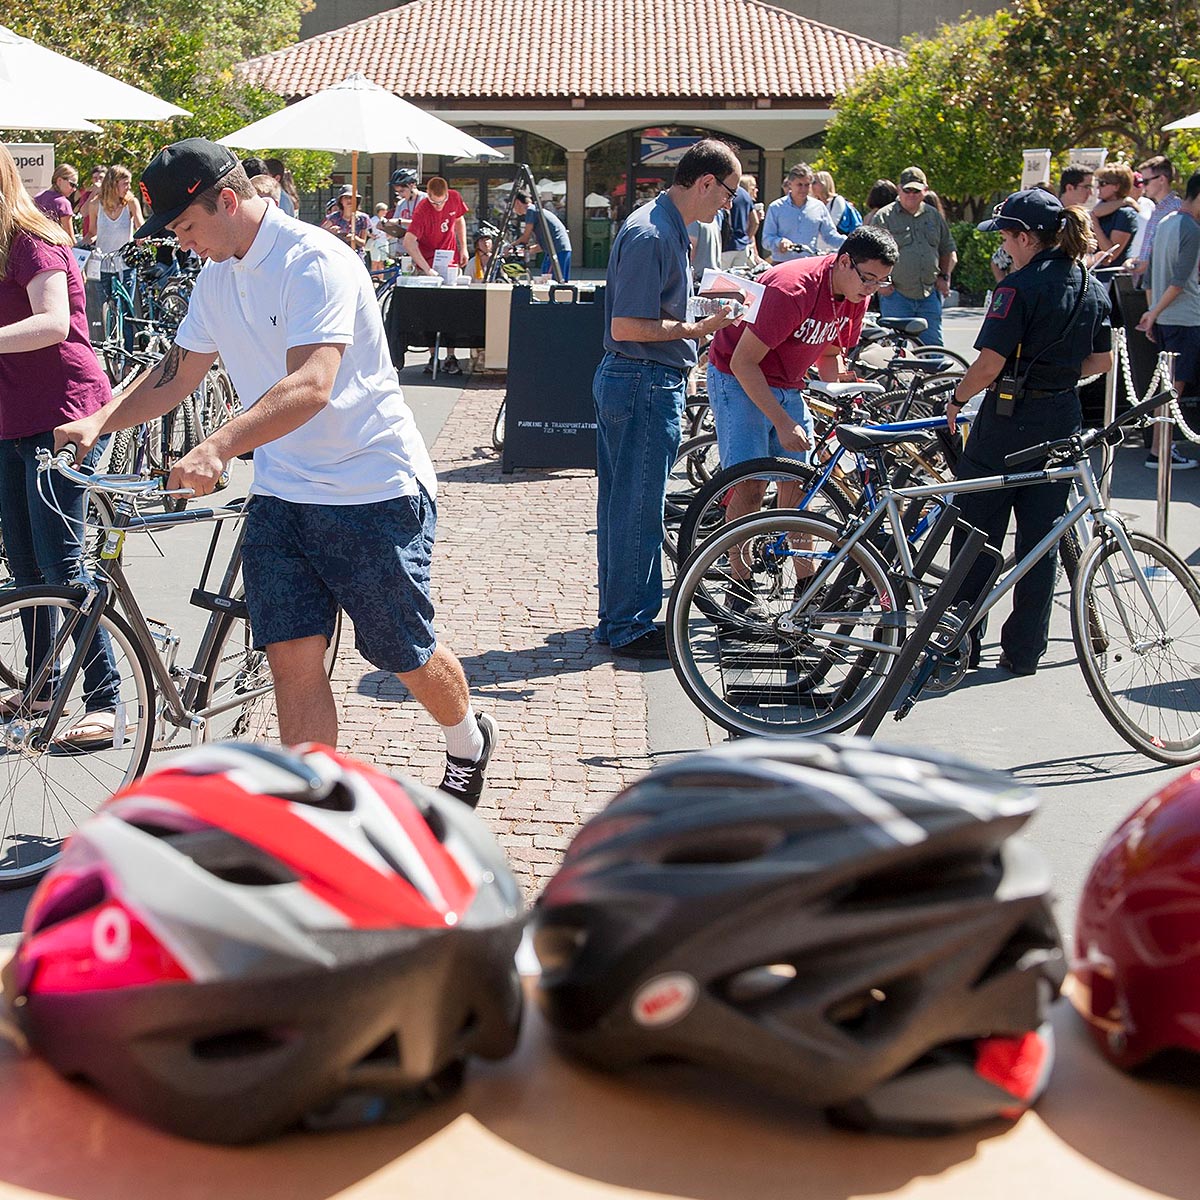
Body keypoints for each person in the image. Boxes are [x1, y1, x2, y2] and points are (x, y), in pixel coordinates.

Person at [54, 138, 498, 806]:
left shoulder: (314, 261)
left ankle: (468, 739)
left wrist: (218, 445)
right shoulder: (217, 274)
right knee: (292, 661)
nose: (184, 244)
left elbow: (312, 383)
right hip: (285, 494)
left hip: (371, 488)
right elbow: (178, 373)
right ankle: (317, 810)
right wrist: (100, 419)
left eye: (187, 227)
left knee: (402, 653)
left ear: (228, 201)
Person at [945, 189, 1111, 677]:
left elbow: (989, 364)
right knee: (1042, 541)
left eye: (1005, 236)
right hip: (1061, 419)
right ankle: (1024, 651)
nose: (1003, 246)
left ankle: (960, 642)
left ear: (1024, 236)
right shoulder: (1090, 285)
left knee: (976, 535)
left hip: (1005, 424)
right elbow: (1100, 361)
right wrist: (1054, 375)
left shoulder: (1017, 288)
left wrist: (955, 400)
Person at [593, 138, 741, 659]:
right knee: (637, 506)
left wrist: (695, 321)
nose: (728, 203)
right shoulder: (654, 232)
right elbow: (628, 323)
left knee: (624, 504)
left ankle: (618, 619)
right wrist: (699, 326)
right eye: (727, 192)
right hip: (642, 379)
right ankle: (630, 624)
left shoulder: (663, 226)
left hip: (639, 378)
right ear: (704, 182)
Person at [0, 144, 121, 747]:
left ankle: (107, 699)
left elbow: (53, 322)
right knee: (25, 566)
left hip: (64, 412)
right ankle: (45, 684)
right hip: (11, 416)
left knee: (62, 562)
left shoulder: (30, 238)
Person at [705, 226, 899, 541]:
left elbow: (830, 353)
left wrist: (849, 388)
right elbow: (743, 362)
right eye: (868, 278)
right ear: (845, 262)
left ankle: (805, 582)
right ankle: (738, 579)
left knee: (797, 483)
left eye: (882, 281)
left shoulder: (855, 294)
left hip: (788, 382)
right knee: (750, 485)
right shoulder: (794, 289)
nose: (873, 289)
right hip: (738, 375)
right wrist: (782, 422)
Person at [1135, 168, 1200, 471]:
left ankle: (1159, 449)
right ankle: (1161, 451)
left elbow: (1149, 278)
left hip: (1165, 317)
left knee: (1168, 387)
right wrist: (1154, 314)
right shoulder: (1190, 228)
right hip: (1183, 318)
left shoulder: (1164, 222)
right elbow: (1179, 280)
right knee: (1174, 389)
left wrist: (1152, 315)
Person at [869, 166, 957, 345]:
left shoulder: (933, 216)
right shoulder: (884, 216)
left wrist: (944, 276)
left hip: (928, 294)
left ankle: (933, 375)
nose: (911, 194)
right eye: (907, 189)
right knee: (896, 350)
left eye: (916, 190)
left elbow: (947, 249)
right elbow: (870, 254)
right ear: (899, 189)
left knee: (933, 349)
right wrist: (880, 284)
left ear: (925, 191)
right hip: (896, 295)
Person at [404, 176, 469, 376]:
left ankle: (451, 356)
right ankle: (433, 355)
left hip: (450, 259)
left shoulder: (455, 198)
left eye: (442, 202)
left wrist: (464, 247)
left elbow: (459, 220)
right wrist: (426, 268)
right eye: (434, 202)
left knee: (453, 310)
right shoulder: (423, 209)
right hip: (429, 260)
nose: (439, 206)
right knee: (431, 311)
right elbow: (409, 242)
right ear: (428, 195)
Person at [88, 166, 144, 354]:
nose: (128, 187)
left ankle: (128, 355)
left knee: (126, 310)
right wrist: (79, 245)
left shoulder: (131, 203)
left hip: (125, 262)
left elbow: (140, 225)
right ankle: (112, 346)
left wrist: (142, 238)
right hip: (104, 261)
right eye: (124, 183)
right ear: (113, 184)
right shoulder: (96, 205)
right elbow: (92, 233)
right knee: (110, 305)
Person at [762, 163, 844, 263]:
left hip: (808, 264)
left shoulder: (818, 207)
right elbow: (766, 239)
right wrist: (779, 242)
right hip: (782, 264)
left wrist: (850, 242)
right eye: (799, 185)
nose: (803, 189)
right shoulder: (776, 207)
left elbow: (830, 236)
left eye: (807, 185)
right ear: (790, 184)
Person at [1128, 155, 1182, 286]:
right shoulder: (1156, 208)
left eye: (1145, 182)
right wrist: (1134, 261)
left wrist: (1148, 263)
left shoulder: (1177, 209)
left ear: (1162, 179)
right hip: (1151, 283)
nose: (1143, 187)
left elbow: (1177, 251)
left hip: (1167, 285)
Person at [512, 189, 573, 278]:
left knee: (551, 281)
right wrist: (527, 250)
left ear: (517, 202)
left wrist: (510, 247)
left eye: (513, 205)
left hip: (557, 251)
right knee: (551, 279)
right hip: (559, 249)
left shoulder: (531, 210)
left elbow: (525, 238)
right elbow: (544, 243)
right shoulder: (536, 210)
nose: (513, 209)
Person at [1088, 163, 1138, 269]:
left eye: (1103, 183)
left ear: (1116, 186)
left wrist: (1094, 224)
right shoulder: (1100, 208)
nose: (1098, 187)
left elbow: (1111, 253)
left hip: (1111, 276)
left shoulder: (1125, 214)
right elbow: (1096, 211)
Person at [322, 185, 370, 257]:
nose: (349, 200)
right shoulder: (334, 217)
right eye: (346, 197)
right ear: (341, 200)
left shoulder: (363, 218)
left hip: (356, 255)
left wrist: (353, 238)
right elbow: (321, 233)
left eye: (352, 198)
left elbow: (363, 242)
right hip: (338, 254)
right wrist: (330, 232)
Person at [718, 179, 756, 269]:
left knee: (721, 280)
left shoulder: (725, 194)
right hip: (742, 246)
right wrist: (747, 238)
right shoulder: (746, 195)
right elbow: (755, 222)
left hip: (725, 246)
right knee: (738, 281)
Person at [35, 165, 78, 240]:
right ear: (59, 181)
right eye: (72, 184)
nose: (74, 189)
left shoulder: (37, 198)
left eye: (76, 186)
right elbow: (69, 238)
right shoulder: (63, 203)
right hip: (55, 248)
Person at [687, 214, 722, 282]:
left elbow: (691, 249)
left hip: (700, 277)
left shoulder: (693, 222)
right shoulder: (713, 221)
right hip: (714, 275)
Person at [77, 166, 107, 244]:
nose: (98, 180)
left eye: (101, 177)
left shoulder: (111, 195)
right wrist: (94, 193)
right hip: (89, 238)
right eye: (95, 178)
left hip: (106, 238)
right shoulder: (87, 195)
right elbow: (84, 212)